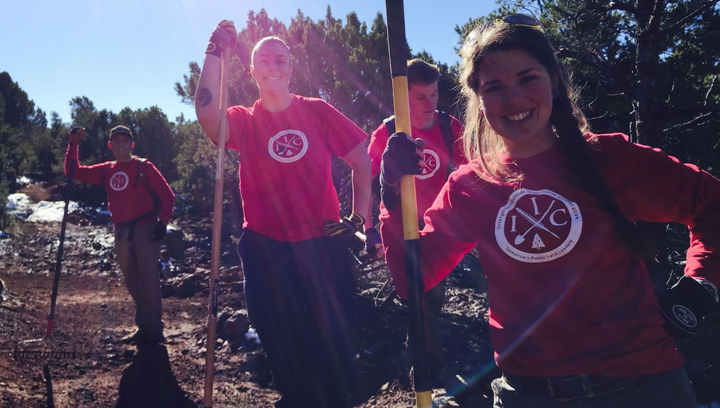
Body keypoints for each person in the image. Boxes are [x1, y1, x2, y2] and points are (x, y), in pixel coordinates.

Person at [380, 14, 720, 408]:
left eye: (528, 78)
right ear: (478, 98)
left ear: (554, 80)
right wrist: (391, 193)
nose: (513, 98)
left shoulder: (607, 158)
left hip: (644, 389)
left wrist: (703, 286)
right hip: (527, 396)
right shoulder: (469, 186)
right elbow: (412, 277)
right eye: (494, 87)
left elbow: (712, 204)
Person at [194, 21, 372, 408]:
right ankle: (296, 397)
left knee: (333, 339)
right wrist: (214, 52)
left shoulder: (317, 111)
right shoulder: (244, 120)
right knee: (276, 334)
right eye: (265, 60)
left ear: (291, 69)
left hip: (323, 243)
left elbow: (362, 159)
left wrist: (360, 221)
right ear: (253, 70)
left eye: (281, 59)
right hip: (265, 247)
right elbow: (208, 114)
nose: (273, 66)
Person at [366, 58, 466, 379]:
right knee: (423, 296)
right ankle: (429, 374)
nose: (429, 103)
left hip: (436, 226)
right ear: (402, 95)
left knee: (428, 299)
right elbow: (371, 182)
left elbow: (472, 170)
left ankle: (419, 370)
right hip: (397, 225)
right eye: (420, 97)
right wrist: (369, 229)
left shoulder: (450, 128)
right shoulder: (387, 131)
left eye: (434, 95)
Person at [65, 125, 175, 346]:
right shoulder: (107, 170)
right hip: (121, 231)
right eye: (117, 141)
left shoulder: (144, 167)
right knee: (132, 280)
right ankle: (144, 326)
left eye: (125, 141)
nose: (121, 145)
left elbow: (168, 196)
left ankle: (153, 331)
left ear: (132, 145)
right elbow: (73, 172)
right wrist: (73, 144)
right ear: (110, 146)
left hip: (146, 228)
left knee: (148, 280)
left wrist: (162, 223)